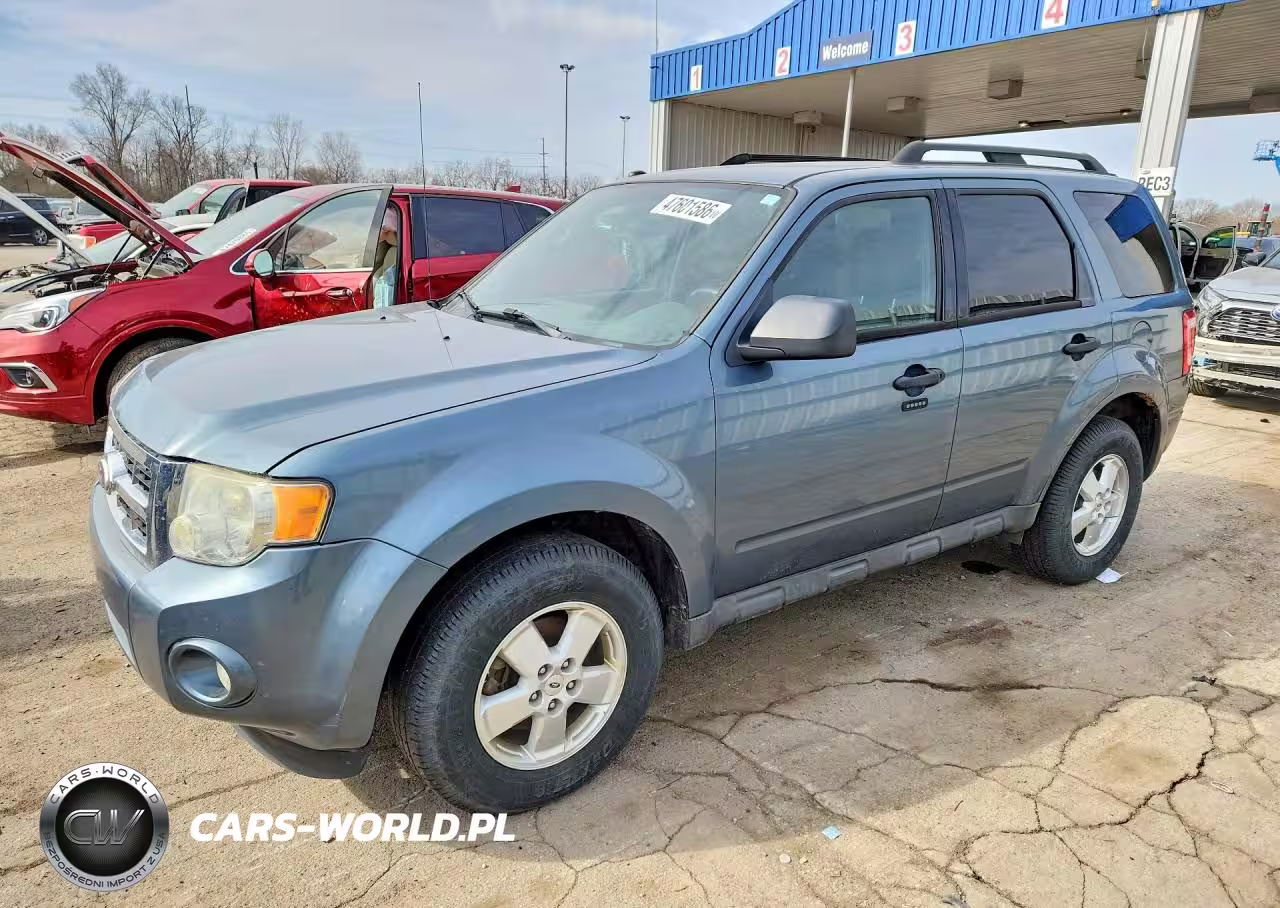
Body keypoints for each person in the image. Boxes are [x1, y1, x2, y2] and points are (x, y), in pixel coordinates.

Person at [371, 206, 400, 308]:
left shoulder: (395, 254)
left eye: (375, 225)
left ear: (386, 228)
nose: (372, 230)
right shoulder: (388, 251)